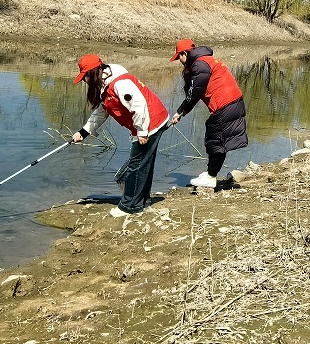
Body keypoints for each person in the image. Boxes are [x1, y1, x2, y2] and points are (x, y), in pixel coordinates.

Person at [71, 54, 170, 215]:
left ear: (93, 73)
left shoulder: (120, 84)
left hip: (150, 122)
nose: (84, 81)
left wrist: (142, 132)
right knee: (144, 163)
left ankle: (130, 206)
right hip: (150, 121)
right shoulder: (106, 84)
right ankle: (143, 201)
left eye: (85, 78)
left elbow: (138, 105)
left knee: (136, 164)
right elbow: (102, 112)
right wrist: (84, 132)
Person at [168, 39, 248, 191]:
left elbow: (194, 93)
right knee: (216, 137)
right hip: (232, 102)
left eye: (179, 57)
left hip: (226, 104)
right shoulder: (206, 60)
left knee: (216, 140)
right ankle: (210, 174)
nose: (179, 60)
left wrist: (179, 112)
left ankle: (211, 177)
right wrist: (182, 111)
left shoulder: (200, 64)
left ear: (185, 53)